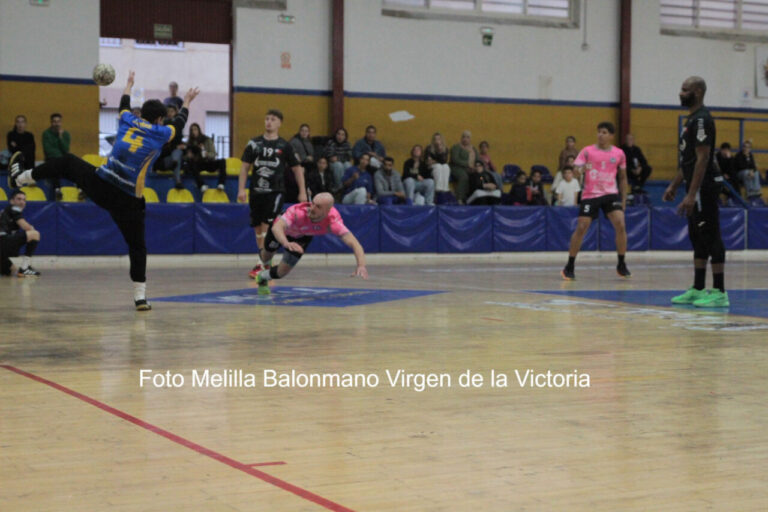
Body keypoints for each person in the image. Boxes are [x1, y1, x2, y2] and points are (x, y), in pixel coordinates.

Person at [9, 70, 199, 310]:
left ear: (142, 114)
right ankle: (140, 297)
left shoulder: (128, 119)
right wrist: (188, 101)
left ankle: (21, 178)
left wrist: (129, 83)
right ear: (160, 119)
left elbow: (124, 103)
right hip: (128, 198)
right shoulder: (161, 133)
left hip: (102, 185)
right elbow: (180, 122)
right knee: (137, 246)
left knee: (67, 162)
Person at [664, 76, 728, 307]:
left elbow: (702, 158)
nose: (680, 93)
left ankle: (719, 291)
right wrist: (674, 185)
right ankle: (698, 288)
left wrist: (692, 194)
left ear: (698, 92)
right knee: (696, 236)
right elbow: (689, 160)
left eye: (685, 90)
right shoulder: (691, 120)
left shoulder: (702, 120)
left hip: (705, 186)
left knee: (711, 234)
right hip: (694, 186)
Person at [237, 109, 306, 280]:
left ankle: (263, 263)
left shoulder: (284, 145)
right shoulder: (254, 143)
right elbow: (245, 167)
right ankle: (263, 260)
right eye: (267, 119)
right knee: (258, 227)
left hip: (275, 191)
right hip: (256, 191)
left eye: (273, 119)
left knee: (269, 225)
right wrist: (241, 189)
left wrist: (302, 192)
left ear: (279, 123)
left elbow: (297, 169)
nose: (269, 122)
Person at [254, 192, 368, 295]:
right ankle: (266, 260)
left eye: (318, 207)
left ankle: (262, 277)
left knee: (282, 273)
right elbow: (277, 228)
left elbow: (355, 243)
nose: (312, 208)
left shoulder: (333, 221)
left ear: (328, 211)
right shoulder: (298, 211)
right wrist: (286, 243)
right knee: (265, 256)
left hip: (302, 237)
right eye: (312, 203)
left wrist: (361, 265)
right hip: (281, 231)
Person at [562, 121, 630, 281]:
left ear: (611, 136)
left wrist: (624, 199)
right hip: (590, 194)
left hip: (610, 194)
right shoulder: (587, 151)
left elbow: (623, 177)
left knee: (620, 223)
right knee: (582, 226)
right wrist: (582, 169)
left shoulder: (619, 153)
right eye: (599, 132)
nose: (601, 135)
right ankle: (569, 265)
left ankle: (621, 263)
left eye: (605, 132)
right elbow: (576, 173)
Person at [0, 190, 41, 277]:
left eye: (24, 200)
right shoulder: (14, 208)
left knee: (12, 270)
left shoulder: (6, 212)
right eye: (19, 199)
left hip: (2, 249)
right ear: (11, 201)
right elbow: (25, 227)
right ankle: (24, 268)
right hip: (2, 241)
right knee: (34, 234)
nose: (22, 202)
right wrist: (31, 228)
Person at [185, 122, 226, 192]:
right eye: (192, 130)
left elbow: (213, 154)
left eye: (195, 129)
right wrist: (189, 156)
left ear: (199, 130)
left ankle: (221, 183)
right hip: (198, 164)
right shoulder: (189, 143)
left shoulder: (207, 140)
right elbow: (185, 158)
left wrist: (207, 154)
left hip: (208, 162)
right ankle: (201, 185)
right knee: (191, 165)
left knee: (222, 161)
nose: (193, 132)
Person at [42, 112, 71, 199]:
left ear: (61, 123)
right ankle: (57, 190)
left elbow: (66, 150)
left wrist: (60, 137)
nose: (56, 124)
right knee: (55, 165)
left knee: (75, 162)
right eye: (54, 121)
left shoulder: (65, 134)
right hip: (51, 160)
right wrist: (60, 155)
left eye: (58, 121)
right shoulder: (46, 134)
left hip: (63, 159)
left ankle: (81, 189)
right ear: (51, 122)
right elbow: (48, 151)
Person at [449, 130, 477, 204]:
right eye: (463, 136)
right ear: (461, 138)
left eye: (467, 137)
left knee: (480, 176)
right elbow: (455, 159)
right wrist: (468, 164)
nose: (465, 139)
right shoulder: (456, 147)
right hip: (456, 167)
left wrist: (476, 167)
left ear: (470, 139)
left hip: (470, 169)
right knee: (464, 176)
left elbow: (478, 160)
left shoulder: (473, 149)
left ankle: (473, 198)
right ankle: (459, 198)